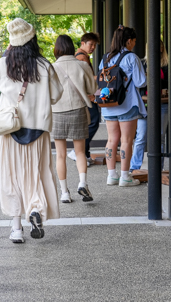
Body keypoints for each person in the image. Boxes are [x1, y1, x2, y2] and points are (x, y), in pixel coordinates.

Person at [0, 18, 62, 243]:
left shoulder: (4, 65)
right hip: (38, 129)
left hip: (12, 128)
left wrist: (6, 54)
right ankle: (35, 210)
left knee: (12, 176)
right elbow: (56, 94)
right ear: (32, 39)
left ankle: (17, 229)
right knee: (37, 173)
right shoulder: (44, 65)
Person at [98, 25, 147, 187]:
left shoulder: (105, 58)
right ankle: (125, 177)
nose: (134, 44)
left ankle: (112, 176)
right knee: (126, 140)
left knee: (112, 139)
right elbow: (141, 82)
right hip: (127, 104)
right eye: (133, 41)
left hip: (109, 104)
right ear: (128, 41)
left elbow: (101, 80)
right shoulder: (132, 58)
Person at [51, 34, 97, 203]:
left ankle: (64, 193)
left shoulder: (52, 67)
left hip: (57, 112)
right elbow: (92, 88)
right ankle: (83, 183)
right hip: (78, 109)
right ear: (72, 47)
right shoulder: (82, 65)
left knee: (61, 154)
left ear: (56, 49)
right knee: (79, 152)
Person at [131, 40, 169, 173]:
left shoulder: (167, 64)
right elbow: (138, 83)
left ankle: (159, 167)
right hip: (145, 104)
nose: (158, 48)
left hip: (163, 103)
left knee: (160, 137)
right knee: (141, 136)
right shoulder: (142, 63)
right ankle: (134, 167)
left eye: (160, 46)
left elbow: (169, 84)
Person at [68, 32, 100, 166]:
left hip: (83, 96)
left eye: (94, 45)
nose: (93, 47)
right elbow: (86, 79)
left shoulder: (80, 56)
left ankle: (84, 154)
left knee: (87, 124)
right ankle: (77, 151)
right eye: (90, 44)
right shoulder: (82, 58)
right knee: (93, 122)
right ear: (83, 43)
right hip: (87, 96)